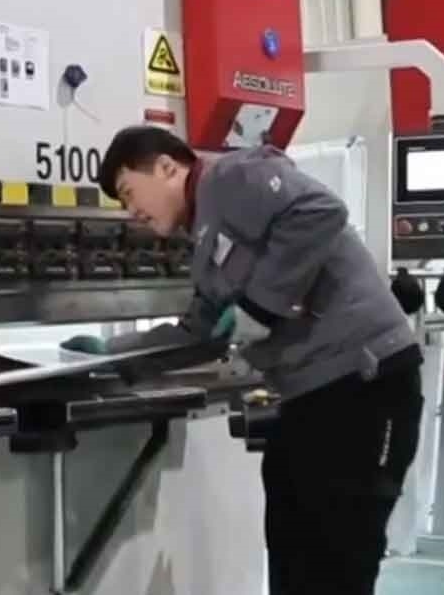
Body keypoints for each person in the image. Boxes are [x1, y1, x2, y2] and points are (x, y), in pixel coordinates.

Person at [62, 126, 421, 595]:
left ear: (168, 168)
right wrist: (114, 355)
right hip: (310, 396)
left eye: (129, 192)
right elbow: (199, 334)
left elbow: (320, 211)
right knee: (291, 538)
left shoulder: (231, 177)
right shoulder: (205, 242)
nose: (132, 211)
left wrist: (259, 305)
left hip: (364, 385)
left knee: (339, 554)